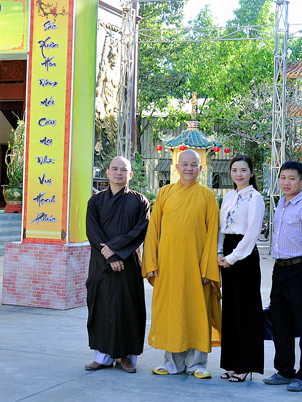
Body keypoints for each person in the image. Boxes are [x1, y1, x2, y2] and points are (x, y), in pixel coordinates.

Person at [142, 148, 221, 379]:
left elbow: (212, 235)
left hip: (196, 267)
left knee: (197, 313)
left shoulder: (207, 196)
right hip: (168, 266)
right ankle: (172, 363)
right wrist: (151, 262)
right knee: (173, 313)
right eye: (184, 164)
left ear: (200, 168)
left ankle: (198, 364)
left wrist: (208, 267)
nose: (189, 168)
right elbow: (153, 230)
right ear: (176, 167)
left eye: (193, 165)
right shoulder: (165, 193)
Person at [85, 156, 151, 374]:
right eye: (114, 169)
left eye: (123, 170)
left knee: (128, 308)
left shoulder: (139, 201)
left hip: (128, 263)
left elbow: (140, 231)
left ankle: (126, 357)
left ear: (130, 174)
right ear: (108, 172)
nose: (118, 173)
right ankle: (102, 357)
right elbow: (92, 231)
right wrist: (110, 257)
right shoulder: (95, 201)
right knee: (101, 306)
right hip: (101, 264)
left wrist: (116, 251)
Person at [263, 160, 302, 392]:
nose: (286, 182)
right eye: (283, 178)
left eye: (292, 178)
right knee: (280, 322)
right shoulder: (281, 203)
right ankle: (285, 371)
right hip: (279, 270)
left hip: (299, 270)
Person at [217, 154, 265, 382]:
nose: (239, 174)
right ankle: (231, 363)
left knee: (246, 311)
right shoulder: (228, 196)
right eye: (235, 170)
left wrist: (232, 257)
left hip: (244, 256)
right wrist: (219, 252)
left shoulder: (255, 198)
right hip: (227, 253)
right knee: (230, 310)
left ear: (251, 173)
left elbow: (252, 232)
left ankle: (245, 365)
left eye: (243, 170)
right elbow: (221, 228)